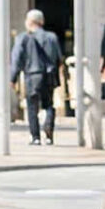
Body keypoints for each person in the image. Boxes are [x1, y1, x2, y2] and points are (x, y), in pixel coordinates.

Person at [10, 8, 63, 145]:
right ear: (41, 22)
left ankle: (35, 137)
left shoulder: (23, 38)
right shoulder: (52, 37)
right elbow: (59, 58)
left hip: (32, 76)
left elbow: (16, 59)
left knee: (32, 106)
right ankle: (49, 132)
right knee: (49, 104)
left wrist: (13, 77)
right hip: (49, 75)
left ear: (29, 22)